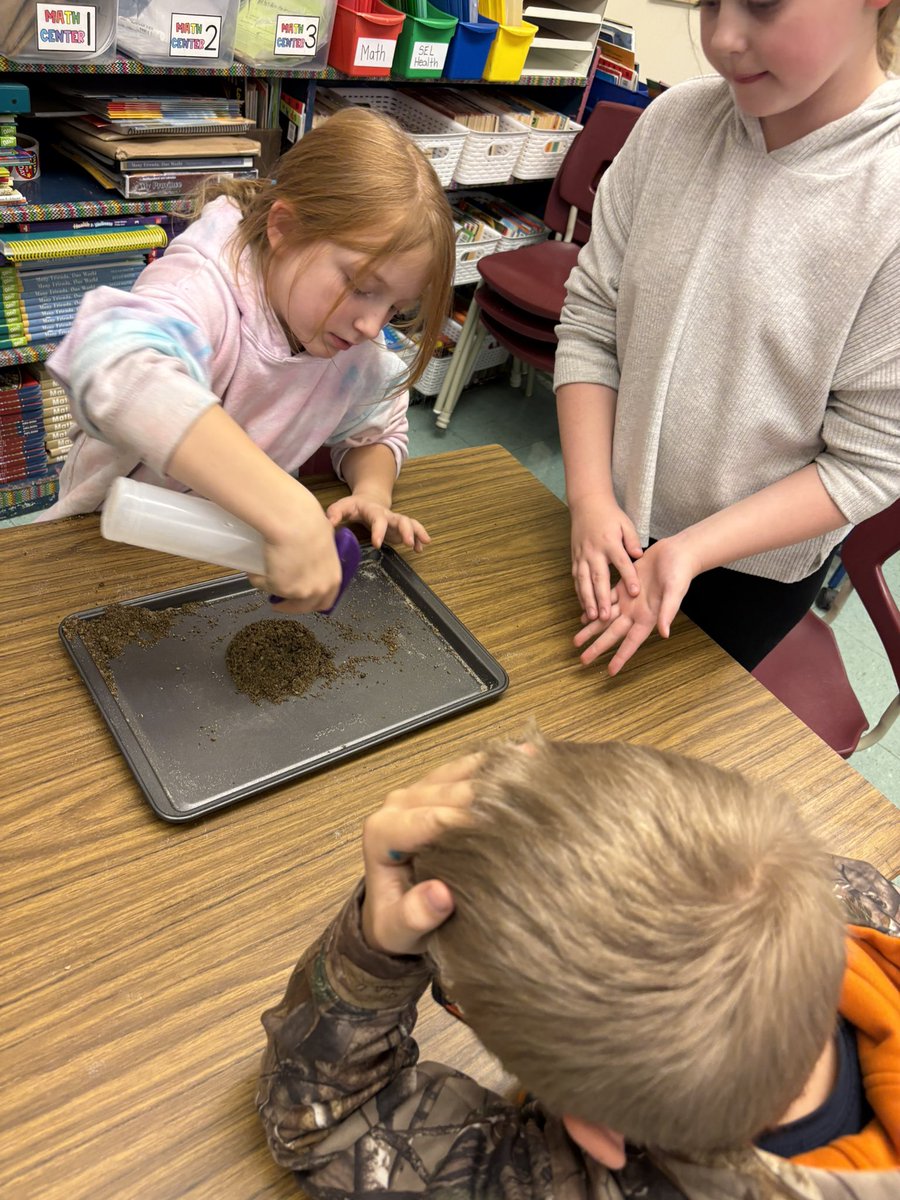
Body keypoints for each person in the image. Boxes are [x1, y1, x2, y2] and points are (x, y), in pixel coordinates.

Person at [256, 735, 900, 1198]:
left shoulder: (561, 1181)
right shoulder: (852, 903)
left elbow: (328, 1128)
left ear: (595, 1135)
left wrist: (377, 950)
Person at [554, 0, 900, 674]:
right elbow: (593, 321)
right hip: (605, 523)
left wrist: (691, 550)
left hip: (751, 576)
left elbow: (869, 460)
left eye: (764, 3)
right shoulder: (674, 123)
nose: (723, 38)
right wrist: (591, 498)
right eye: (709, 2)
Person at [37, 107, 456, 613]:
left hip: (227, 558)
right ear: (284, 227)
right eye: (362, 286)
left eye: (395, 308)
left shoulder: (354, 344)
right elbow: (112, 362)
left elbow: (376, 429)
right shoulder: (203, 289)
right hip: (111, 545)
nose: (372, 324)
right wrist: (284, 505)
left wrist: (372, 491)